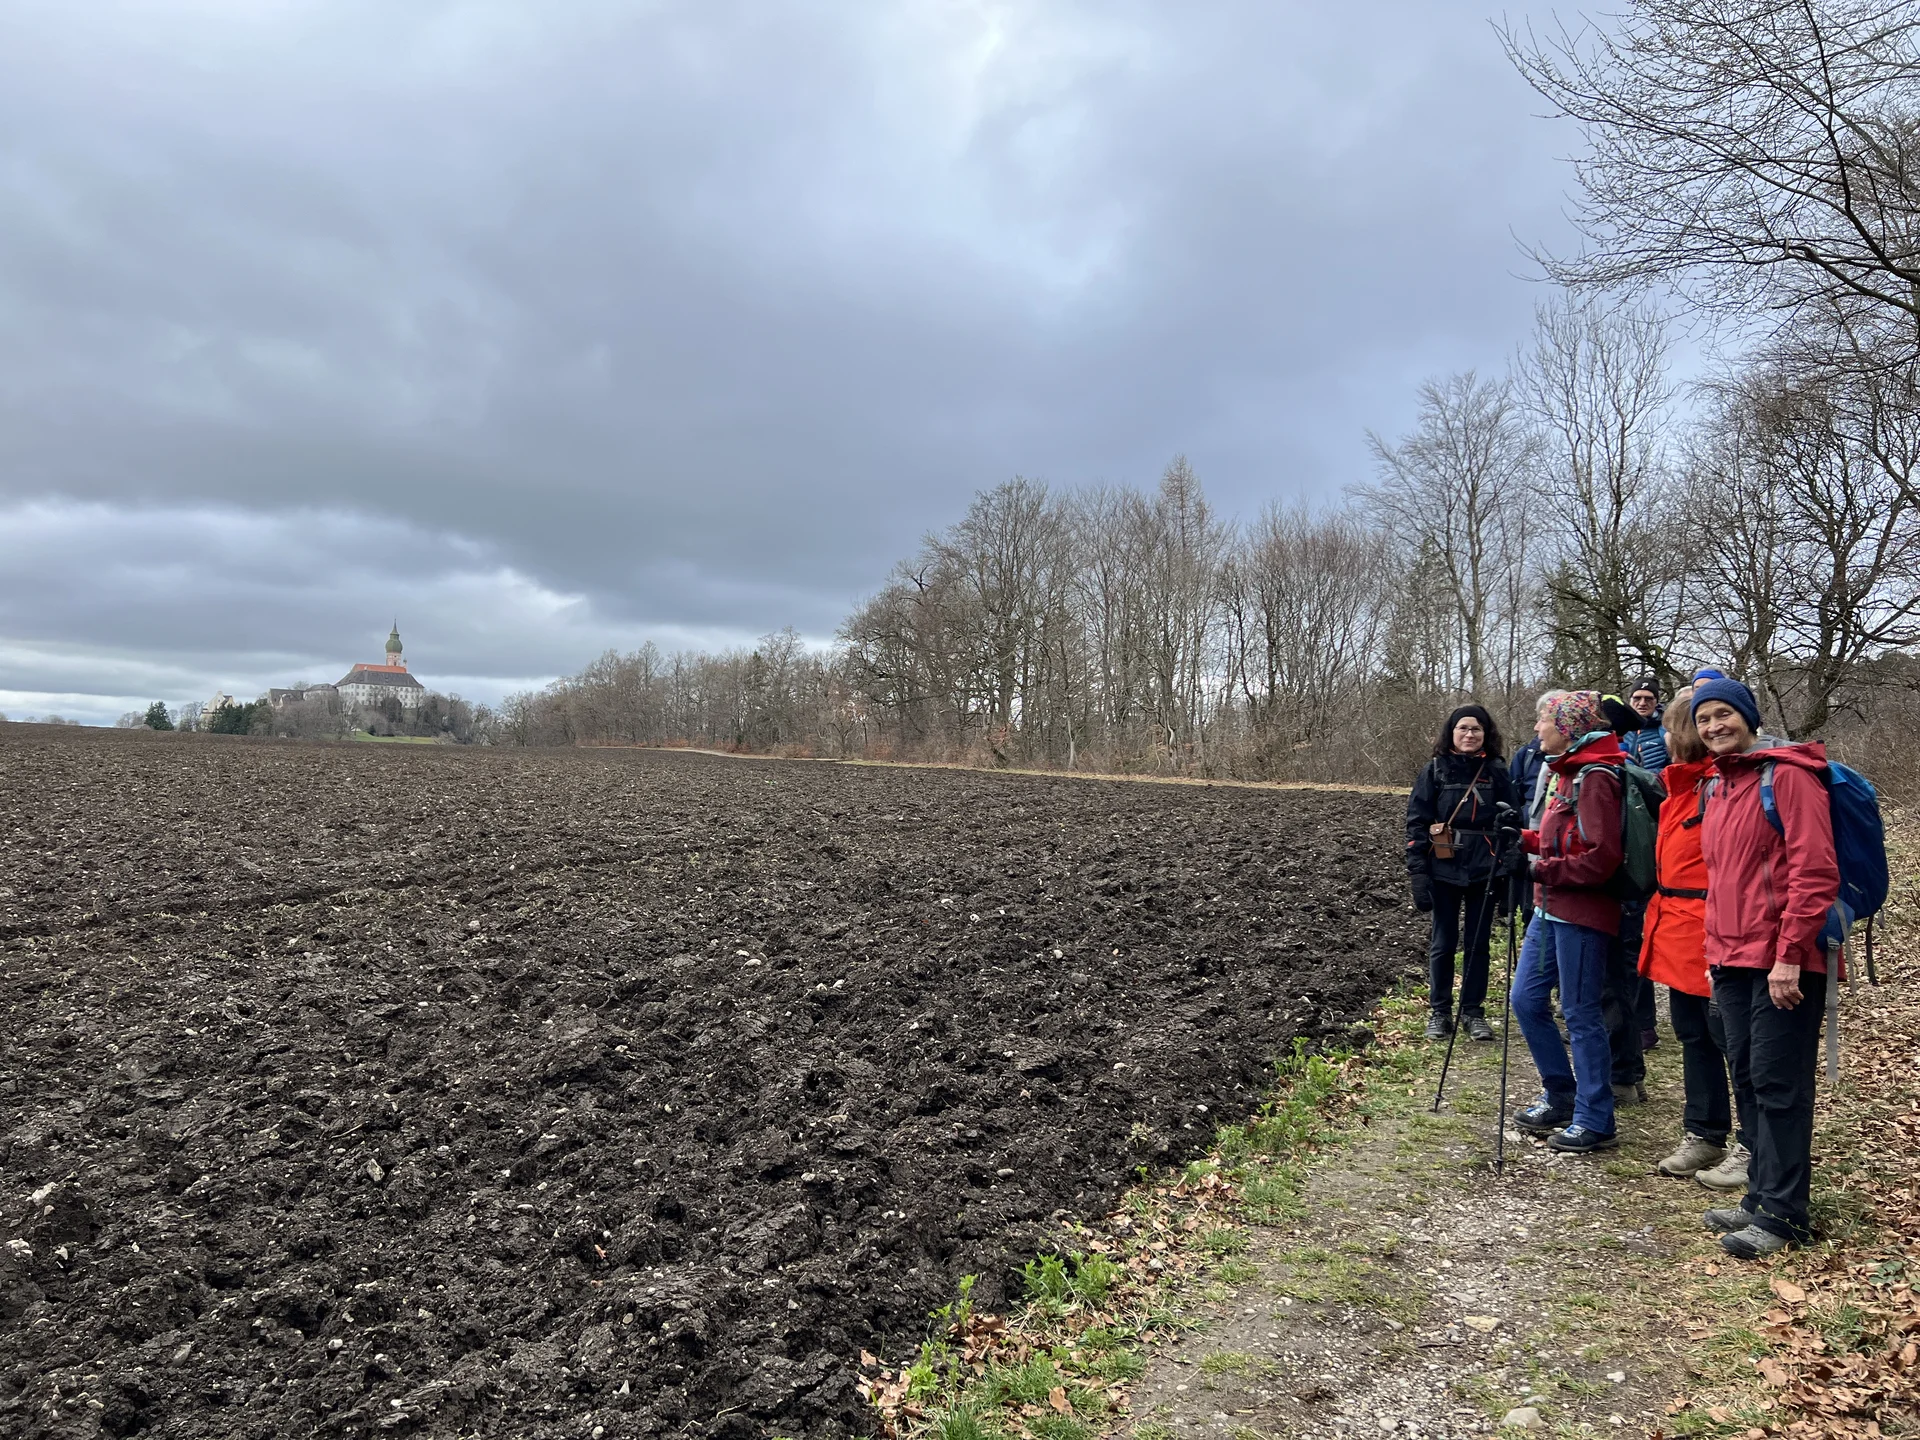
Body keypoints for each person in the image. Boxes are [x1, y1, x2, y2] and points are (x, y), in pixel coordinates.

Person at [1692, 675, 1841, 1258]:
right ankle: (1759, 1196)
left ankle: (1785, 1215)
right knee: (1749, 1075)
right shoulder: (1719, 785)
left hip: (1785, 959)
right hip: (1731, 956)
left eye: (1724, 715)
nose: (1713, 727)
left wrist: (1788, 956)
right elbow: (1721, 880)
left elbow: (1815, 875)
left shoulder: (1791, 777)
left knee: (1780, 1083)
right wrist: (1712, 955)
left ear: (1749, 718)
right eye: (1704, 719)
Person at [1511, 691, 1627, 1153]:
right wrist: (1522, 840)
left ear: (1568, 728)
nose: (1537, 728)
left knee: (1580, 1014)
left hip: (1581, 912)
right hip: (1549, 907)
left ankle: (1596, 1117)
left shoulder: (1595, 777)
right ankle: (1561, 1092)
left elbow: (1601, 859)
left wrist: (1539, 868)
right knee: (1526, 1000)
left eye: (1544, 720)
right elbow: (1562, 838)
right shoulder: (1568, 771)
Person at [1638, 686, 1743, 1181]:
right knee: (1694, 1035)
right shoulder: (1681, 789)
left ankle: (1752, 1145)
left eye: (1667, 728)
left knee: (1733, 1041)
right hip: (1681, 932)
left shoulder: (1719, 787)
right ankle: (1704, 1134)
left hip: (1717, 935)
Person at [1405, 705, 1519, 1042]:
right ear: (1451, 733)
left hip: (1486, 870)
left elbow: (1514, 823)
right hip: (1443, 868)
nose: (1470, 735)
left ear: (1486, 734)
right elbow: (1416, 822)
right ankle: (1439, 1012)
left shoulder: (1497, 771)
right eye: (1463, 728)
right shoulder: (1434, 771)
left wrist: (1510, 869)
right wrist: (1418, 874)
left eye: (1477, 729)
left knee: (1478, 944)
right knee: (1443, 943)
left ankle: (1473, 1012)